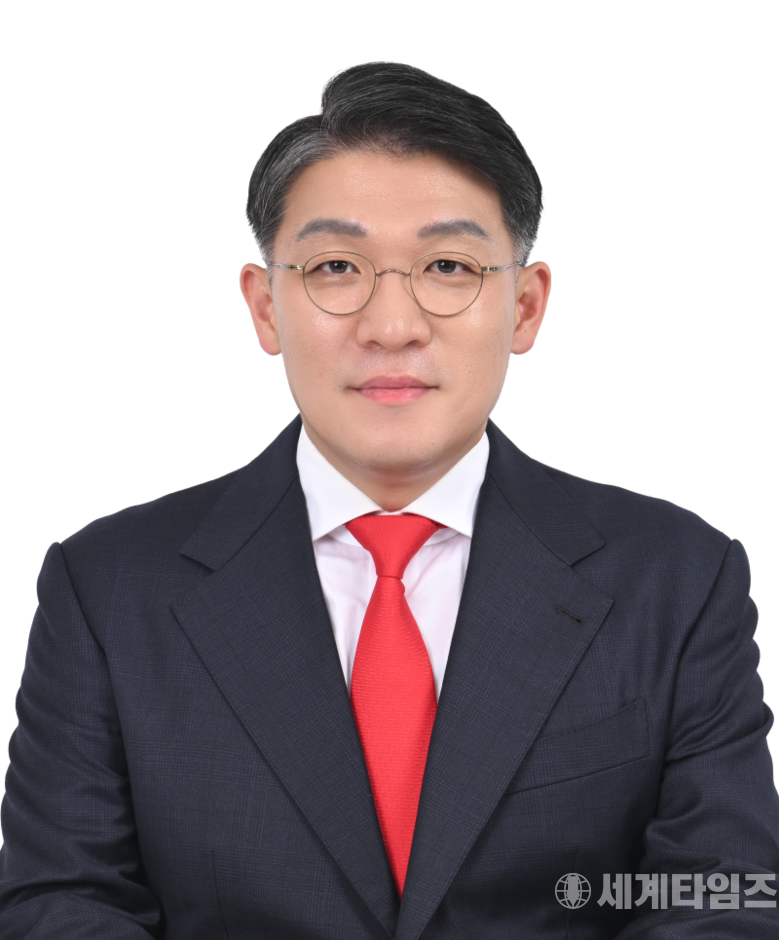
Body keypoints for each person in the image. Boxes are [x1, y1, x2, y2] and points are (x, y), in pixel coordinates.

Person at [0, 61, 777, 940]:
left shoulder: (675, 579)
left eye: (447, 266)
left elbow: (722, 896)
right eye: (336, 267)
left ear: (524, 307)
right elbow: (61, 898)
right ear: (265, 306)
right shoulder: (109, 589)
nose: (392, 326)